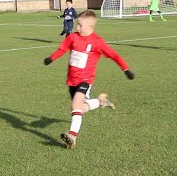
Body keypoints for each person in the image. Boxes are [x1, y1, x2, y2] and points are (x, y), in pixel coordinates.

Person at [44, 10, 135, 149]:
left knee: (75, 106)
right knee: (79, 109)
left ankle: (72, 136)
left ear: (90, 27)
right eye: (77, 25)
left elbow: (114, 55)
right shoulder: (73, 37)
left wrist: (126, 69)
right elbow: (62, 49)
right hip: (71, 80)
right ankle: (100, 101)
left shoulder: (97, 42)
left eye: (80, 25)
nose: (77, 28)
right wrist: (51, 58)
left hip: (85, 80)